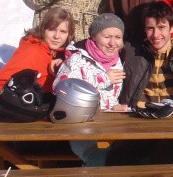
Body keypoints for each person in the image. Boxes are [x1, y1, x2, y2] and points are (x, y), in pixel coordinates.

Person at [106, 2, 173, 165]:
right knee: (116, 158)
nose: (156, 34)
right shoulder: (133, 51)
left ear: (172, 28)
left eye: (161, 28)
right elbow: (97, 48)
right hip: (139, 118)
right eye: (150, 28)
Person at [54, 13, 126, 166]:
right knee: (101, 158)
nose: (113, 43)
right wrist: (103, 78)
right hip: (78, 125)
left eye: (118, 37)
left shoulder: (116, 60)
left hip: (104, 124)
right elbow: (62, 89)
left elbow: (108, 95)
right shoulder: (77, 59)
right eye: (107, 37)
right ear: (94, 37)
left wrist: (113, 106)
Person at [0, 7, 75, 101]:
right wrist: (23, 104)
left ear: (69, 34)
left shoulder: (65, 54)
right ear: (43, 29)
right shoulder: (32, 52)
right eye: (51, 29)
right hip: (31, 107)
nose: (56, 36)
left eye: (63, 32)